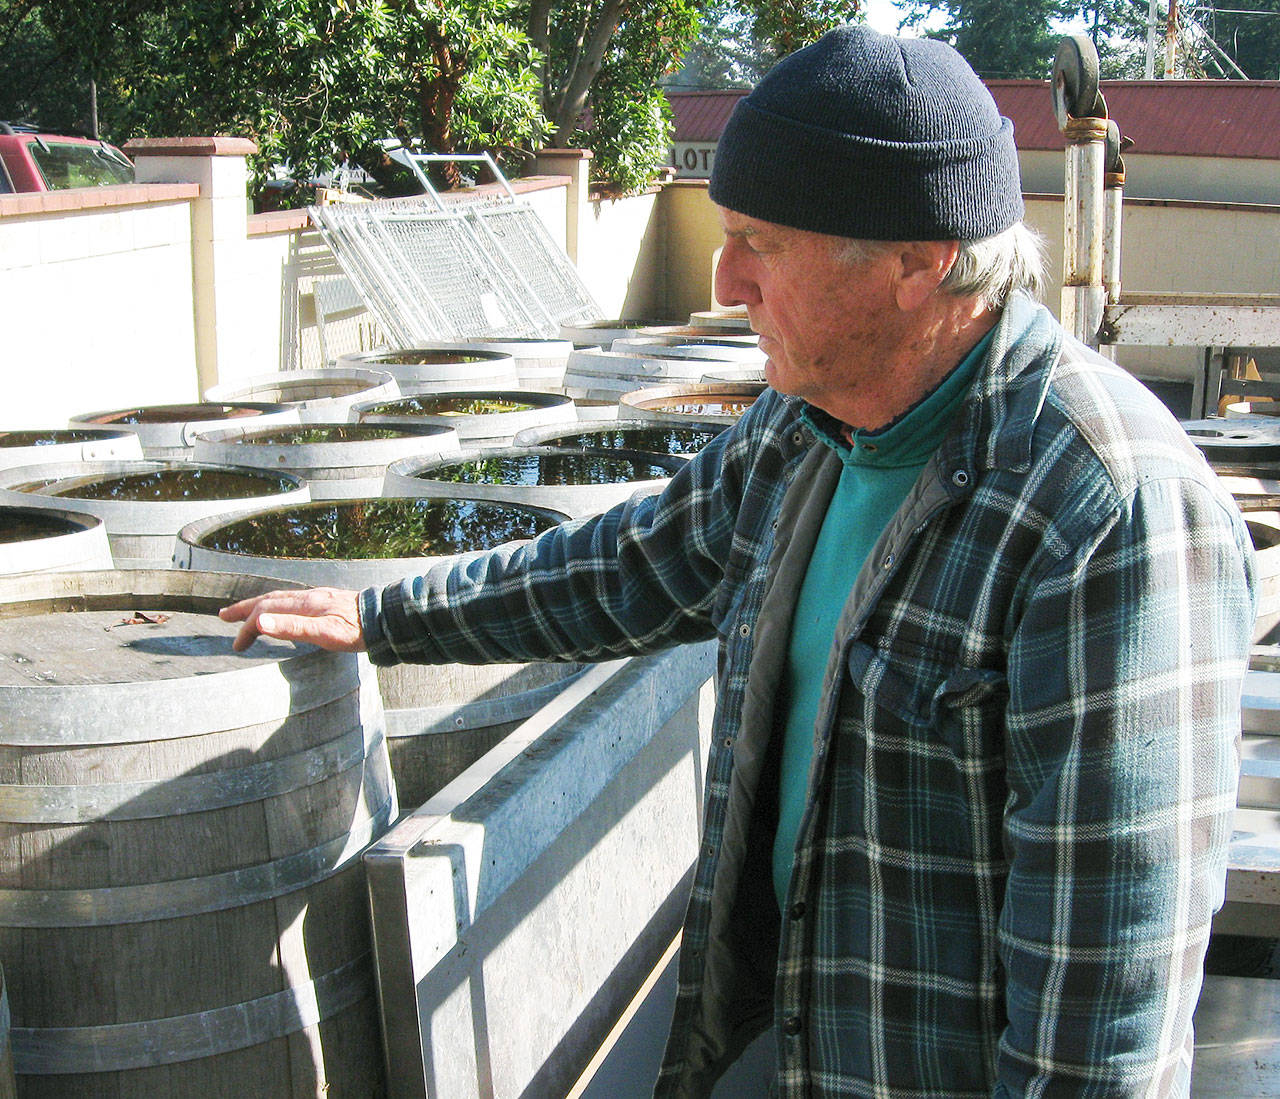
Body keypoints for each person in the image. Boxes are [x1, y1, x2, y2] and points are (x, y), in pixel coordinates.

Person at [222, 25, 1257, 1096]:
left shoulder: (1106, 515)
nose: (725, 280)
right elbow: (629, 567)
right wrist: (386, 618)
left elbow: (1098, 1030)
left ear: (919, 260)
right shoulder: (806, 427)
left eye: (763, 243)